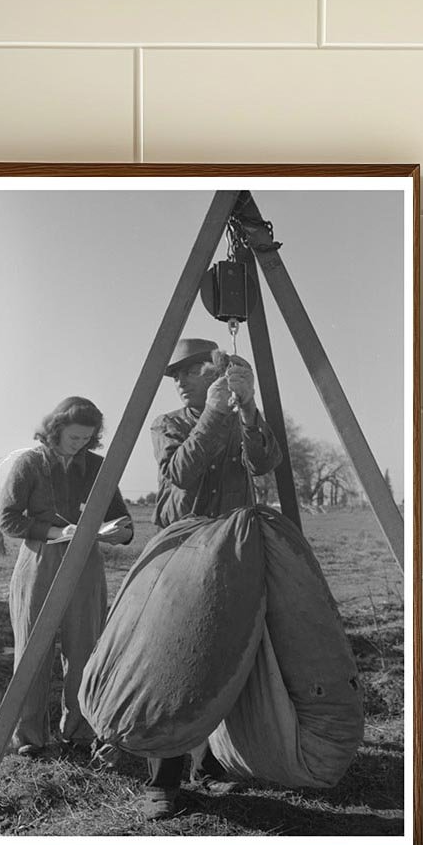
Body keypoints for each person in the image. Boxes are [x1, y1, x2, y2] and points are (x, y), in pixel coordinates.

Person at [140, 337, 283, 818]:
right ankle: (163, 782)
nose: (178, 381)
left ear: (215, 369)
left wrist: (248, 408)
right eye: (175, 375)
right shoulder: (169, 423)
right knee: (171, 659)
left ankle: (213, 767)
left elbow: (265, 463)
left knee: (225, 649)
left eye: (187, 371)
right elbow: (180, 473)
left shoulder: (242, 414)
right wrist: (215, 414)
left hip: (230, 549)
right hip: (179, 551)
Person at [0, 396, 133, 761]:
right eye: (75, 438)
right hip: (40, 561)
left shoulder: (99, 467)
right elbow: (8, 519)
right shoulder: (29, 463)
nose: (82, 445)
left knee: (84, 649)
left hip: (86, 565)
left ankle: (79, 732)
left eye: (88, 438)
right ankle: (29, 736)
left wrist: (121, 532)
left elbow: (121, 517)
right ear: (55, 430)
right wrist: (54, 531)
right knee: (32, 650)